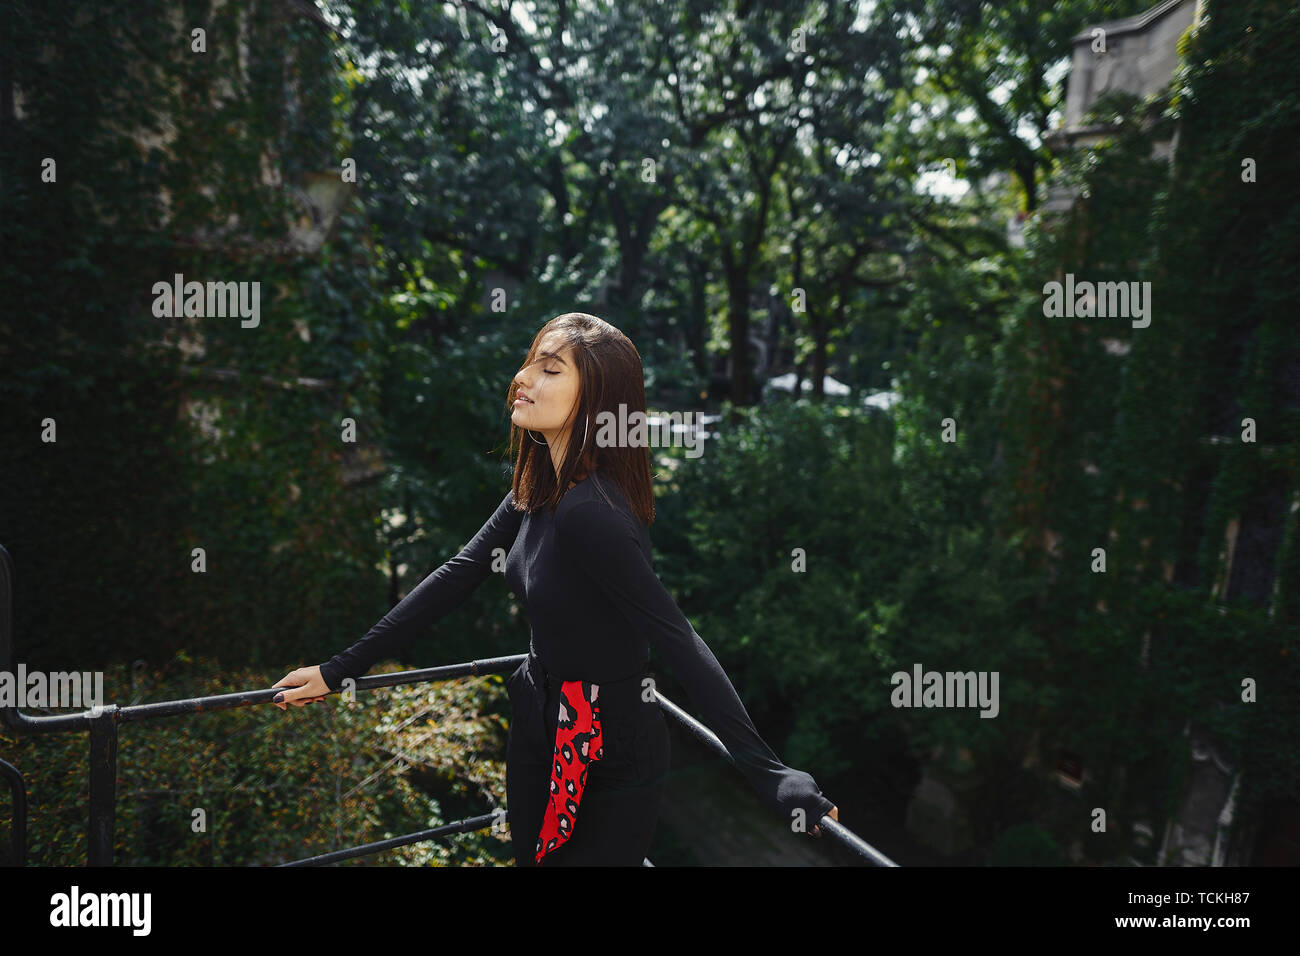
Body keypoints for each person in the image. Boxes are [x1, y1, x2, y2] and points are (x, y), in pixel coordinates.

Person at [273, 312, 839, 865]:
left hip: (610, 748)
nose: (521, 379)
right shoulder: (539, 482)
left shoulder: (590, 512)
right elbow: (459, 573)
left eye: (549, 370)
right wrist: (340, 669)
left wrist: (772, 774)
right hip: (539, 716)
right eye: (530, 364)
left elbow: (675, 636)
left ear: (595, 399)